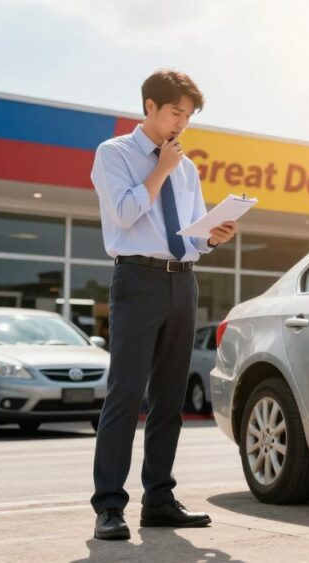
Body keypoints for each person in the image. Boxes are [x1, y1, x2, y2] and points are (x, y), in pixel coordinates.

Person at [89, 69, 237, 541]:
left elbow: (189, 234)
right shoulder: (114, 154)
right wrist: (160, 170)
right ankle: (109, 506)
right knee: (126, 394)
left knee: (170, 399)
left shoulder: (187, 168)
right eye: (176, 113)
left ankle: (158, 499)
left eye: (188, 116)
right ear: (150, 106)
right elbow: (126, 214)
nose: (182, 124)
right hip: (136, 280)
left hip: (182, 283)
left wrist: (213, 236)